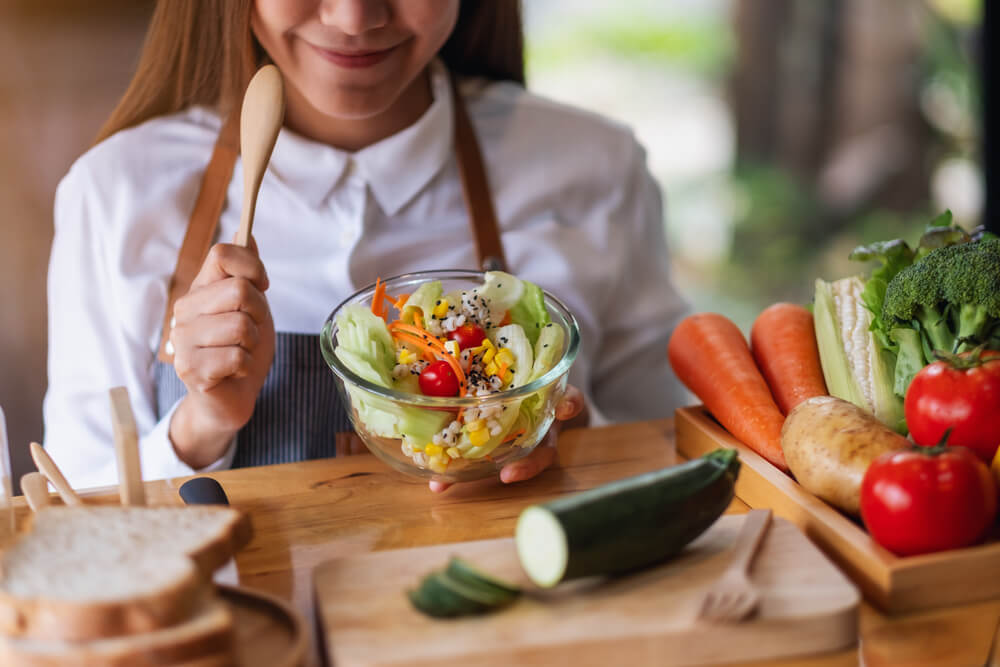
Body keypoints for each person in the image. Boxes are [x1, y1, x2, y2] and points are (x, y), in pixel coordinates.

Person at [42, 0, 689, 492]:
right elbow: (72, 518)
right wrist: (202, 424)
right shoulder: (115, 193)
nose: (354, 18)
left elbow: (671, 455)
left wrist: (565, 436)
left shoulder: (597, 169)